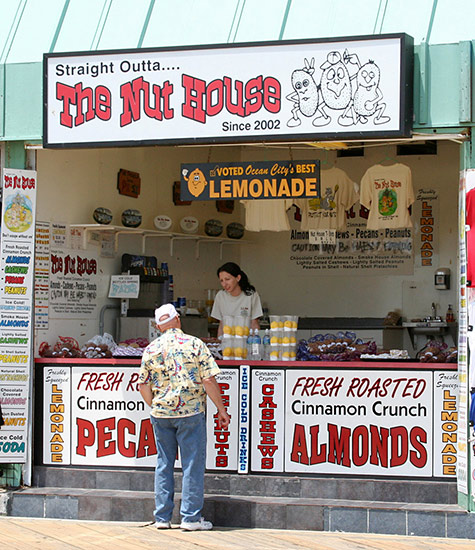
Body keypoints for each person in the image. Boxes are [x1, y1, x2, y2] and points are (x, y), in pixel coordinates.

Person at [138, 303, 230, 531]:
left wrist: (158, 405)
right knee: (192, 464)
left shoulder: (151, 349)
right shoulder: (195, 344)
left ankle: (162, 517)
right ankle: (190, 518)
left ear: (158, 326)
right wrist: (221, 409)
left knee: (164, 464)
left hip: (161, 414)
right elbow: (208, 380)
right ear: (178, 319)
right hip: (191, 412)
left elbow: (143, 385)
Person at [211, 262, 263, 336]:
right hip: (227, 340)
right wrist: (219, 341)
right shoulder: (220, 296)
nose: (224, 284)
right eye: (221, 281)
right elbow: (221, 325)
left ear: (238, 278)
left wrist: (254, 341)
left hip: (246, 340)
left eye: (227, 279)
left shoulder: (251, 295)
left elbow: (254, 324)